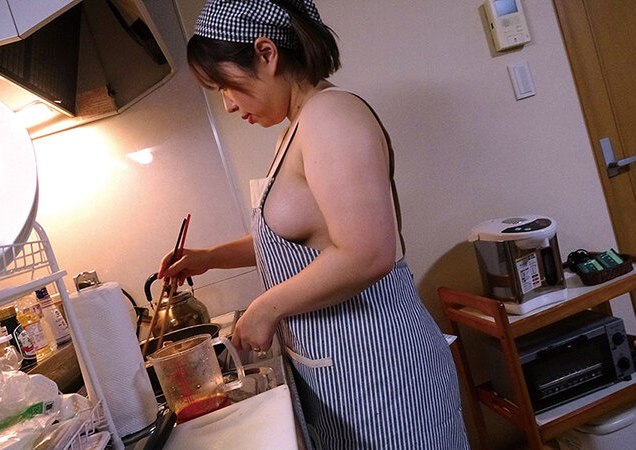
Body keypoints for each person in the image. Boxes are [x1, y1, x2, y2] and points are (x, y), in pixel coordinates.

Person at [157, 0, 470, 447]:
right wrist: (208, 257)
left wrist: (266, 307)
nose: (227, 104)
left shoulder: (331, 116)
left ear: (266, 54)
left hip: (383, 372)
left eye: (225, 85)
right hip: (348, 373)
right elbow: (297, 243)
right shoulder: (296, 129)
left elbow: (367, 253)